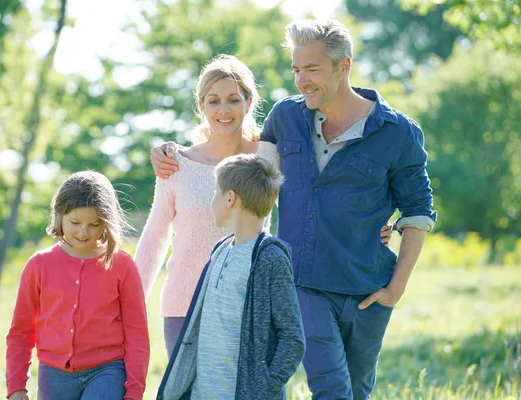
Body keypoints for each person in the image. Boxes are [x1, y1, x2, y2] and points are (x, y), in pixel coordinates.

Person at [151, 19, 436, 400]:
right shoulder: (286, 118)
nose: (301, 81)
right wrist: (174, 152)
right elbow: (243, 161)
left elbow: (418, 210)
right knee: (332, 389)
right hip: (303, 282)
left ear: (344, 65)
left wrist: (395, 288)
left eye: (312, 69)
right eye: (296, 69)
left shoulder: (398, 132)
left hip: (369, 285)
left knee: (358, 390)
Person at [133, 54, 281, 358]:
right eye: (213, 101)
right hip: (183, 307)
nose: (223, 110)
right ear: (201, 106)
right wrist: (131, 302)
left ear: (249, 102)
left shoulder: (269, 157)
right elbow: (155, 235)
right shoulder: (176, 164)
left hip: (248, 303)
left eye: (233, 100)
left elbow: (312, 197)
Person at [157, 154, 305, 400]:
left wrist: (263, 390)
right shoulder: (220, 249)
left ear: (230, 198)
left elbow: (292, 339)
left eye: (216, 192)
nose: (212, 200)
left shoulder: (269, 258)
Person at [6, 171, 150, 400]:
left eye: (94, 224)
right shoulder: (38, 265)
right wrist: (16, 387)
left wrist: (134, 392)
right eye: (75, 222)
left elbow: (137, 334)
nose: (83, 232)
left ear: (107, 222)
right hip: (53, 376)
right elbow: (21, 332)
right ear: (59, 215)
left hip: (107, 371)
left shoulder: (122, 265)